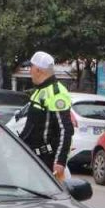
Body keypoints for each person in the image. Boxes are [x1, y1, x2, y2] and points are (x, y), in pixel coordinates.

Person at [19, 51, 72, 180]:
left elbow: (65, 130)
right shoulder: (39, 91)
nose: (29, 71)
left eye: (30, 67)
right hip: (34, 159)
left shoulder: (56, 93)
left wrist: (60, 162)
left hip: (47, 161)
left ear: (38, 70)